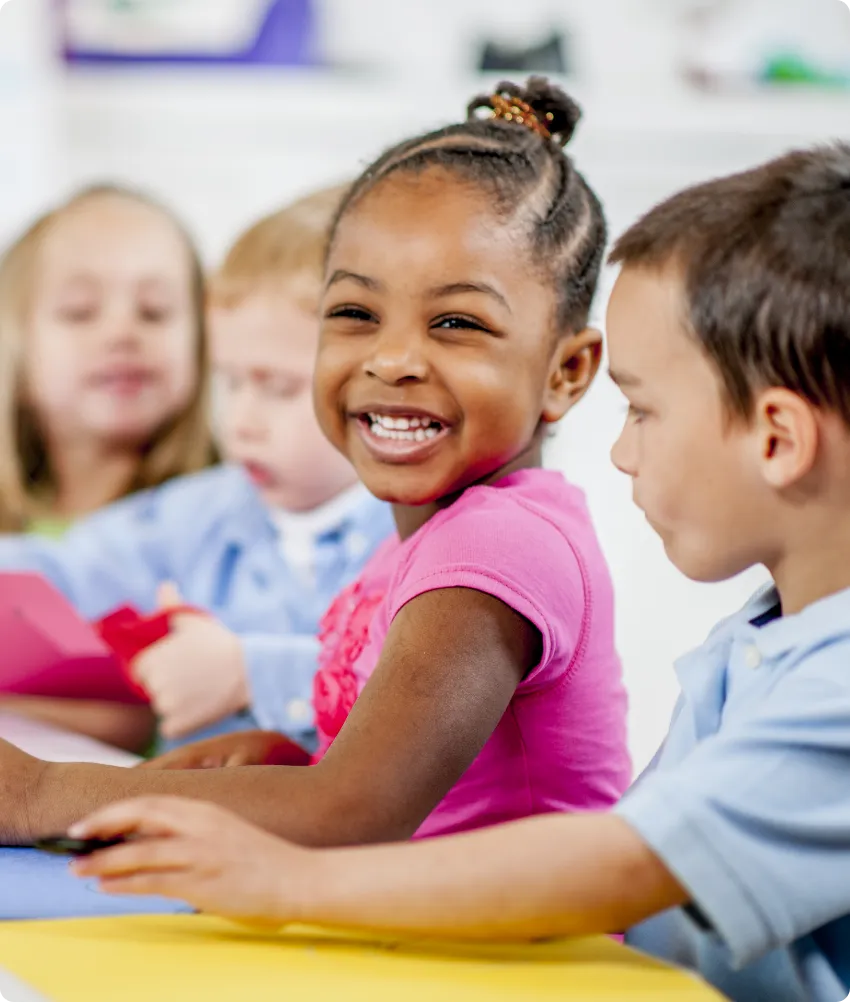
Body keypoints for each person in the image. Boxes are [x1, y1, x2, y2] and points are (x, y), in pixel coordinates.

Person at [68, 142, 850, 1002]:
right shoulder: (764, 635)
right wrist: (296, 773)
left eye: (643, 411)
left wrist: (285, 879)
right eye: (354, 313)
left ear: (777, 439)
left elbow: (630, 862)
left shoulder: (837, 687)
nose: (622, 453)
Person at [0, 77, 630, 846]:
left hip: (517, 929)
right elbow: (383, 786)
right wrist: (282, 761)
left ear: (566, 371)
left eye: (456, 322)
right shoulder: (422, 539)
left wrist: (38, 792)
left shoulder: (496, 547)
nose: (392, 359)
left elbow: (353, 812)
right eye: (355, 313)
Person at [0, 186, 392, 753]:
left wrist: (249, 675)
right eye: (229, 383)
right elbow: (66, 572)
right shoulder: (204, 509)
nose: (241, 421)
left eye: (278, 387)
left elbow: (423, 684)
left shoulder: (419, 531)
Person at [0, 184, 213, 535]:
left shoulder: (226, 528)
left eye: (154, 311)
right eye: (80, 311)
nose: (122, 333)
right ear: (15, 346)